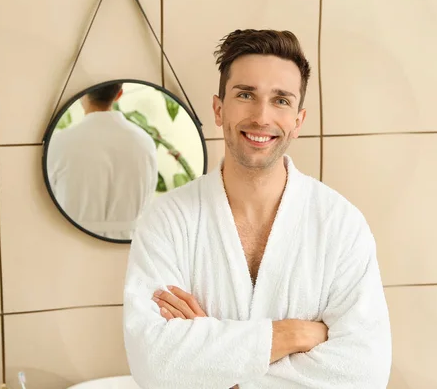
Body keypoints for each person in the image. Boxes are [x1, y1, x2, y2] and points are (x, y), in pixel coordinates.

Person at [123, 29, 392, 388]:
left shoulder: (340, 225)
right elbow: (154, 365)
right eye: (246, 95)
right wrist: (291, 335)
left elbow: (363, 372)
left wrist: (216, 363)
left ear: (298, 121)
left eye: (281, 100)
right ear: (219, 109)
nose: (262, 116)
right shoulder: (168, 221)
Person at [47, 83, 158, 240]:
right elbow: (148, 197)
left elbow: (47, 198)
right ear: (119, 94)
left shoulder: (60, 141)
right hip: (127, 244)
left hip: (71, 240)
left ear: (82, 95)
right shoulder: (144, 141)